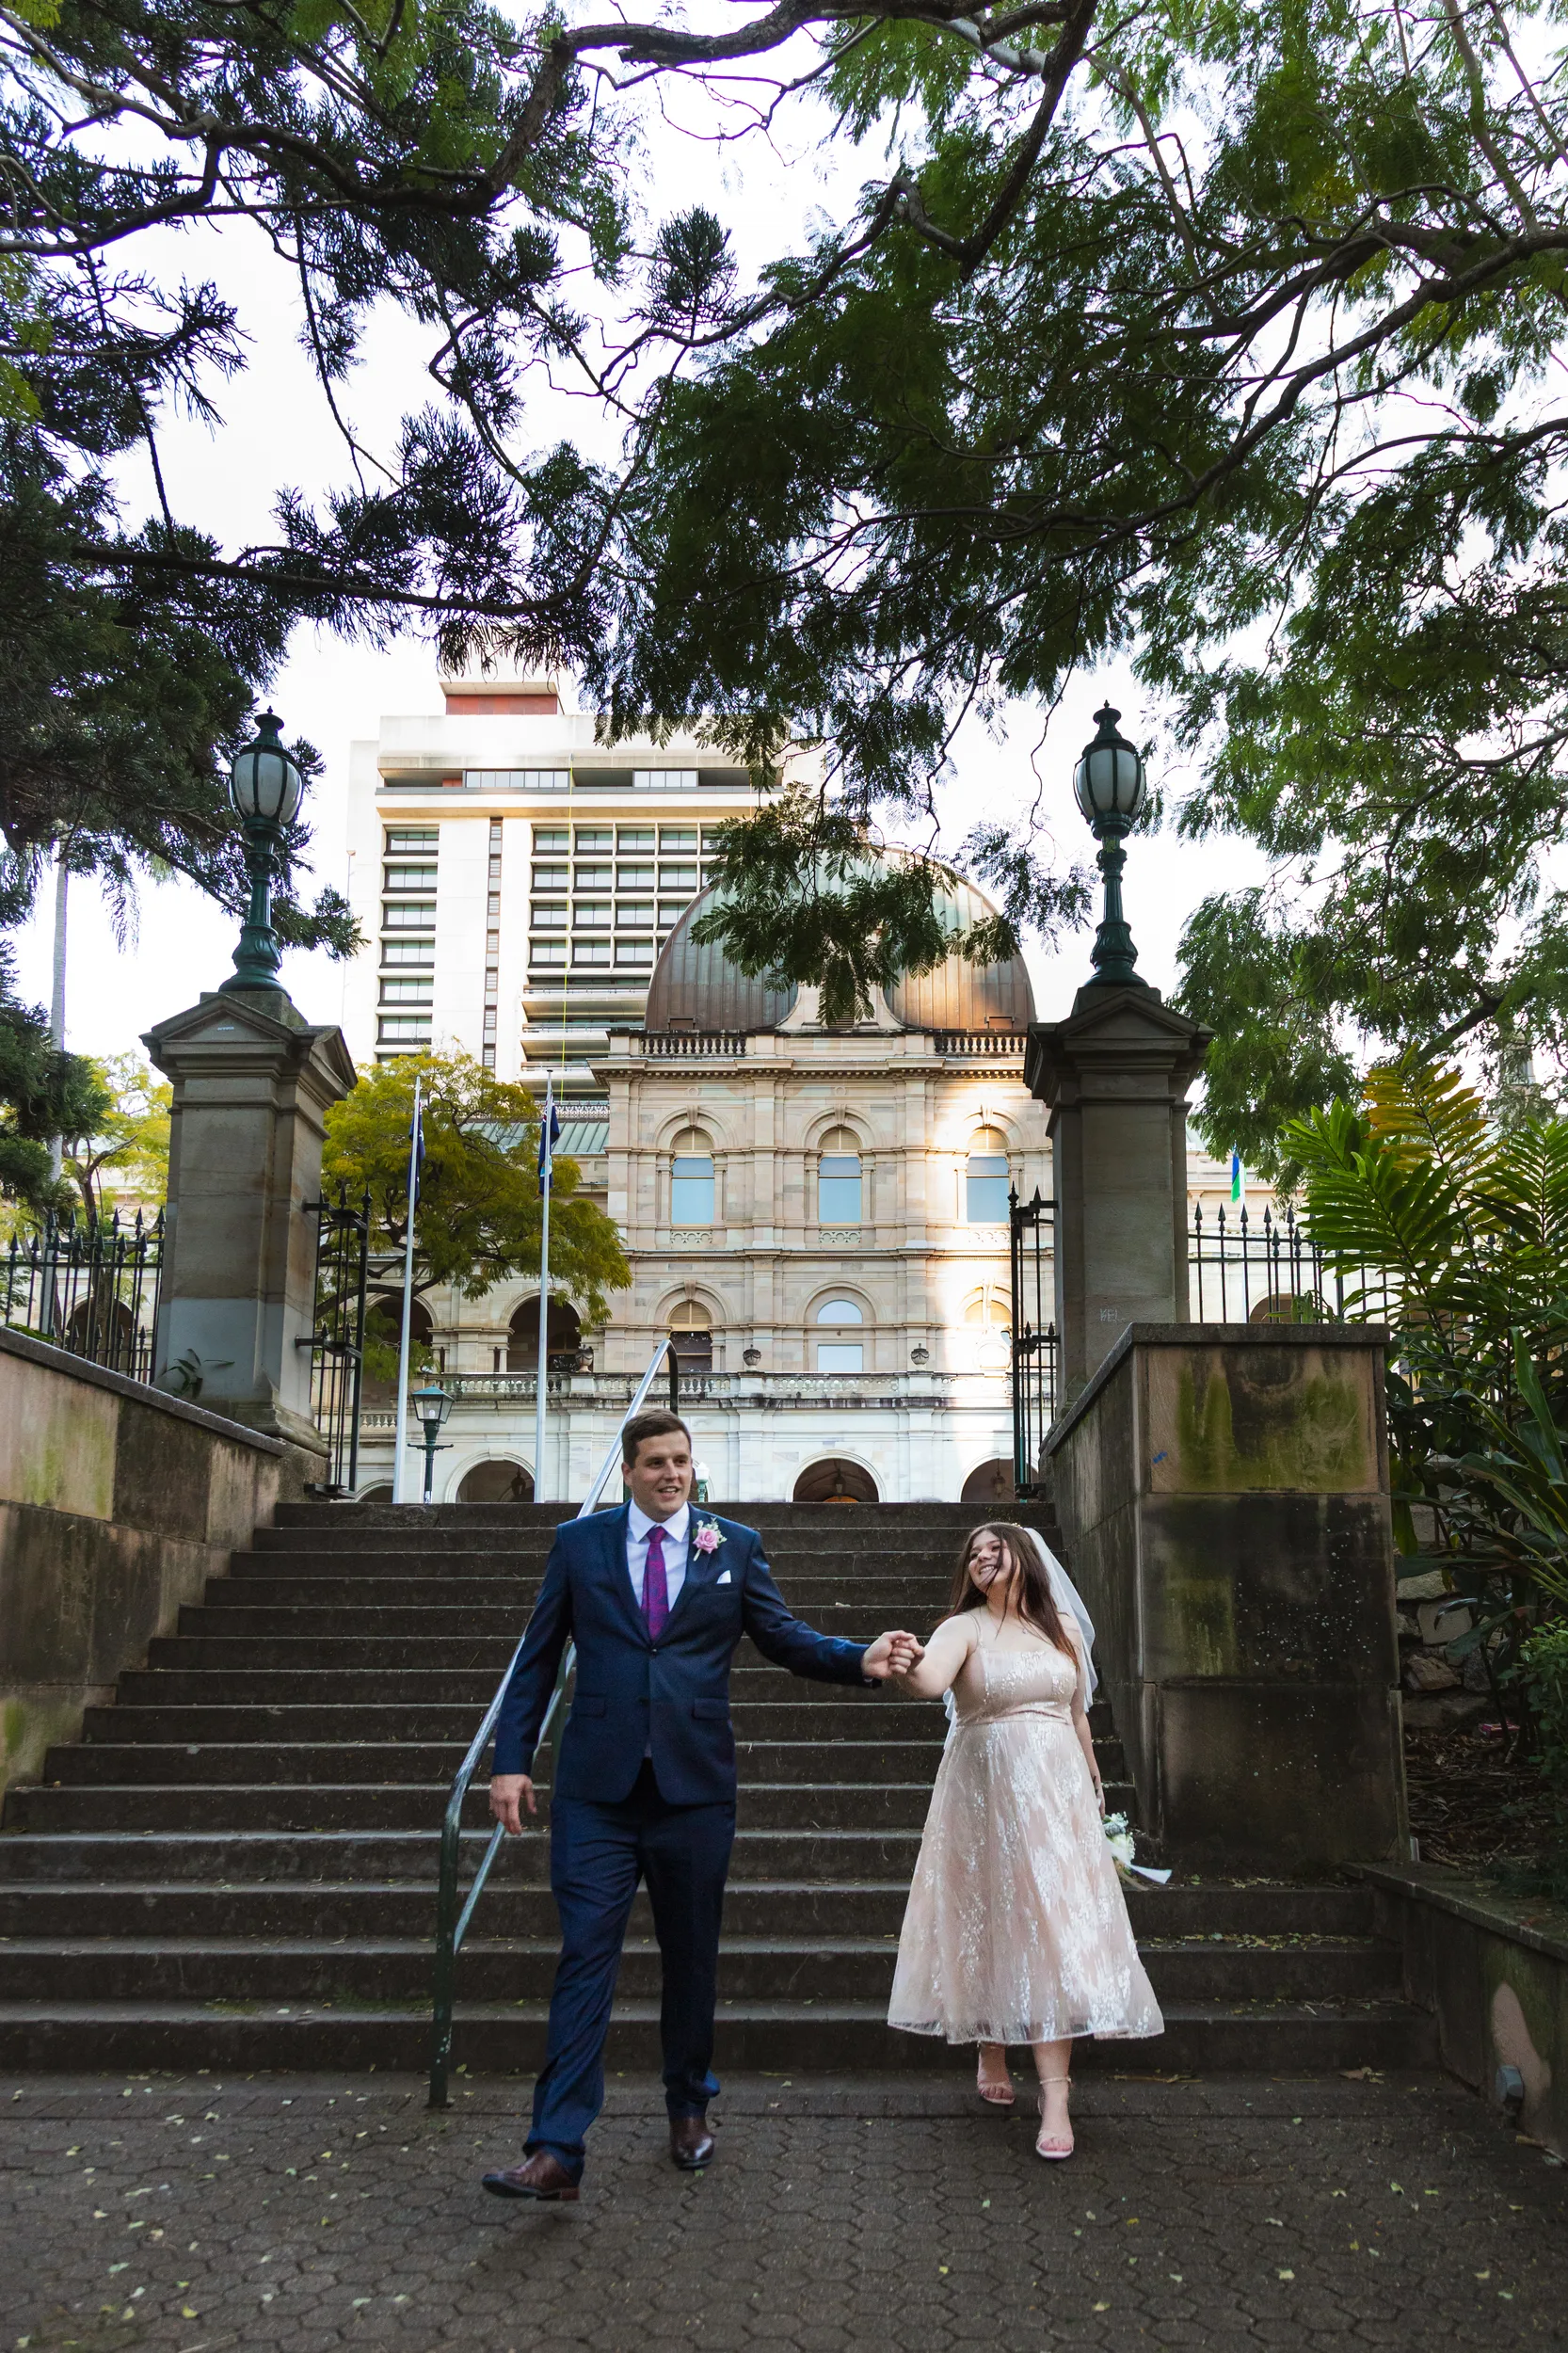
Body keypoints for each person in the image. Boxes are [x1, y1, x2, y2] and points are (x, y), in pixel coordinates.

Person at [481, 1409, 923, 2201]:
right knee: (585, 1958)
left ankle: (689, 2106)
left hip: (692, 1791)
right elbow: (538, 1657)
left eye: (681, 1460)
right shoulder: (579, 1546)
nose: (670, 1474)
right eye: (654, 1462)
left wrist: (859, 1657)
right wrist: (510, 1762)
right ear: (628, 1470)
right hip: (596, 1794)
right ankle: (555, 2148)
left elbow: (784, 1637)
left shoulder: (734, 1546)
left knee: (691, 1958)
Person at [888, 1522, 1161, 2160]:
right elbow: (931, 1683)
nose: (983, 1559)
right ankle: (990, 2041)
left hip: (1055, 1794)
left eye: (994, 1548)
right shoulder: (965, 1627)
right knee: (992, 1913)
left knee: (1052, 1925)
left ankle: (1057, 2094)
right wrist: (905, 1667)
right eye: (974, 1554)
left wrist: (1093, 1783)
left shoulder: (1057, 1626)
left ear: (1024, 1555)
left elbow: (1074, 1712)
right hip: (983, 1791)